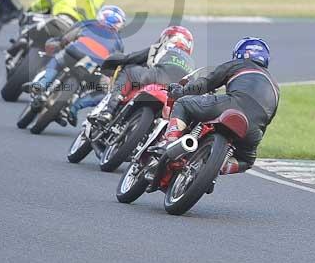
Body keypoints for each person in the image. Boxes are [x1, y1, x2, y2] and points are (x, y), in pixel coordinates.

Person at [163, 37, 279, 175]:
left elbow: (206, 84)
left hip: (232, 105)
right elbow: (268, 118)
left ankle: (170, 143)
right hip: (254, 128)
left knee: (183, 103)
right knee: (247, 161)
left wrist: (181, 92)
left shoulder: (239, 64)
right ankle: (219, 167)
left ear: (239, 53)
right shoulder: (275, 87)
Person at [25, 5, 127, 125]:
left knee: (56, 61)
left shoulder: (88, 23)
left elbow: (67, 38)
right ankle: (75, 107)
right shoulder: (119, 42)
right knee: (105, 92)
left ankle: (42, 84)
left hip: (74, 53)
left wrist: (60, 43)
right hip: (95, 65)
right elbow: (114, 63)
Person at [82, 26, 196, 125]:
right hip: (179, 92)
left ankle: (108, 110)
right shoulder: (191, 62)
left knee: (128, 70)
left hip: (157, 77)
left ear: (166, 38)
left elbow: (131, 58)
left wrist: (108, 64)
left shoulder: (164, 47)